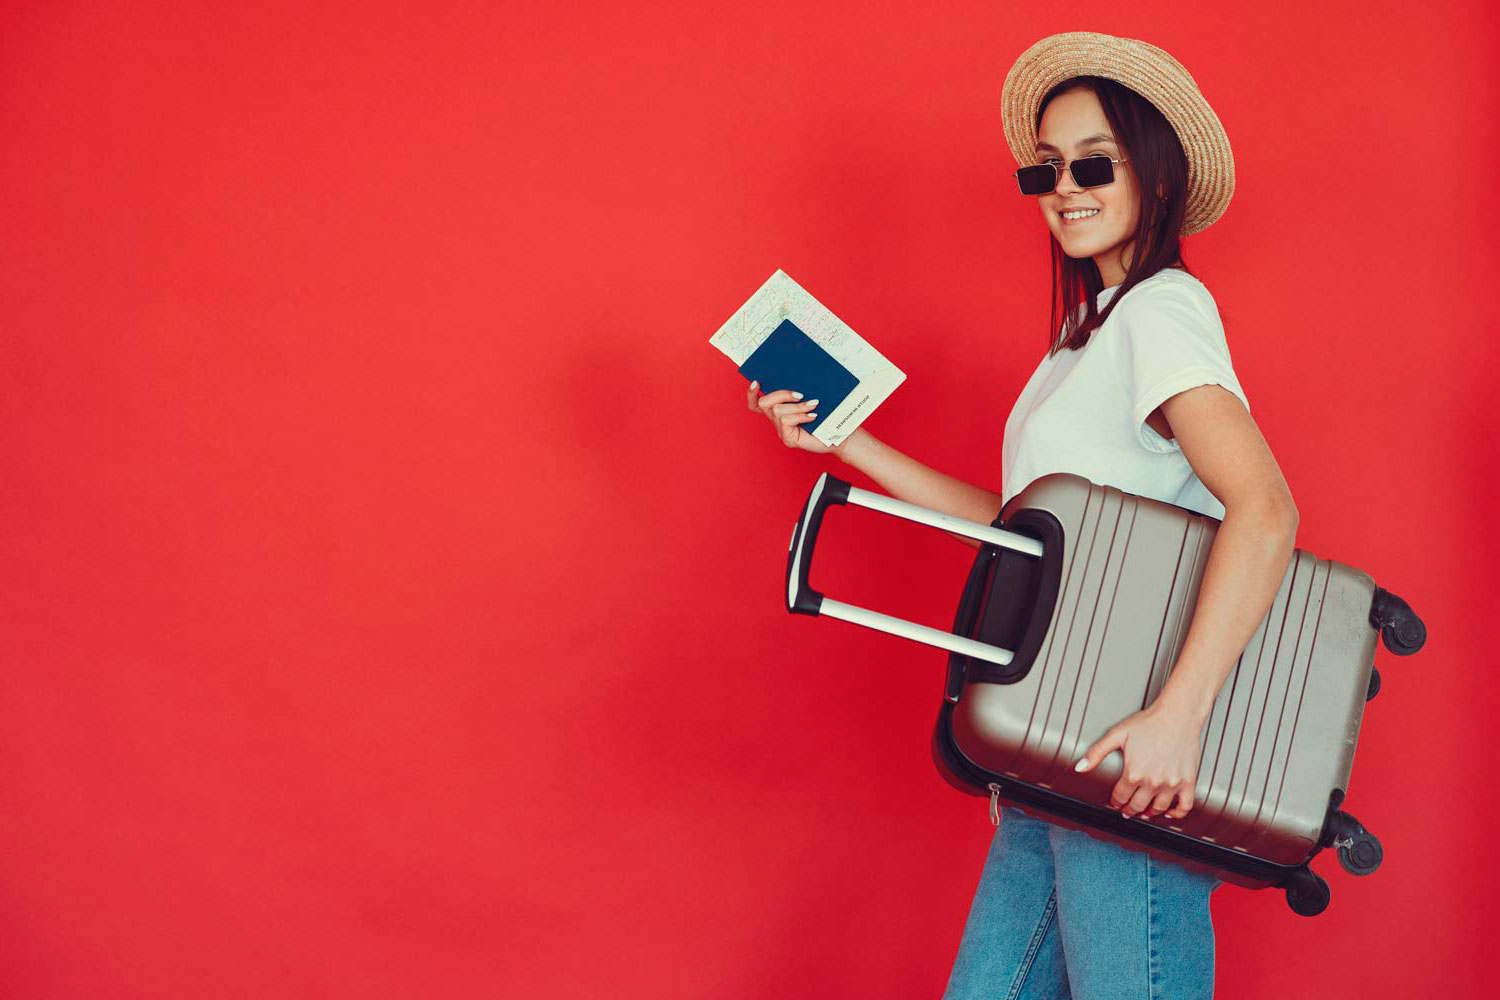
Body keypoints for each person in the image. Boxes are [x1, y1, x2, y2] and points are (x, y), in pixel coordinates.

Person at [739, 30, 1300, 1000]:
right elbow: (1020, 524)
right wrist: (848, 441)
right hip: (1056, 749)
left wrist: (1178, 719)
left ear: (1154, 177)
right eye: (1044, 168)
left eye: (1093, 162)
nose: (1065, 187)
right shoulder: (1089, 338)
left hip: (1127, 751)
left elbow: (1267, 510)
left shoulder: (1160, 313)